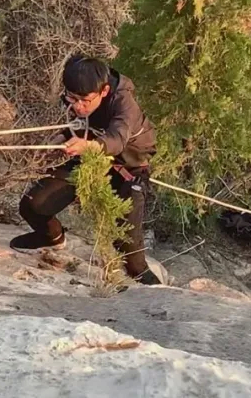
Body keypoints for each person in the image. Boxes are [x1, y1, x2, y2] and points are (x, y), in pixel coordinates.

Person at [10, 53, 161, 285]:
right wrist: (61, 138)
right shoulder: (77, 94)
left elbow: (117, 139)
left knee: (128, 248)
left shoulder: (124, 104)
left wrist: (87, 145)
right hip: (86, 157)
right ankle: (51, 238)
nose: (78, 106)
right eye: (72, 98)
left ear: (104, 92)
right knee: (33, 205)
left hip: (126, 166)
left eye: (85, 100)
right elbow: (78, 125)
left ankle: (150, 288)